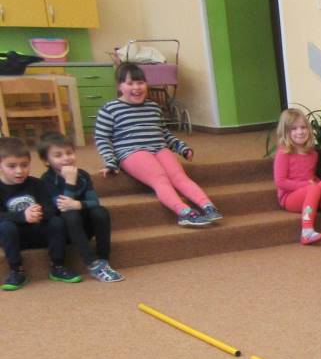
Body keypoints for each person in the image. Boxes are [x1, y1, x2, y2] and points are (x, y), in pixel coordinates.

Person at [93, 62, 220, 228]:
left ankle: (207, 206)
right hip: (132, 152)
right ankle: (184, 212)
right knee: (160, 179)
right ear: (119, 86)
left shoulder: (153, 107)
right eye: (130, 83)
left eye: (140, 82)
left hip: (159, 148)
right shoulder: (110, 109)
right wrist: (110, 161)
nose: (136, 87)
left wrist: (181, 147)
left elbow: (164, 133)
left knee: (179, 177)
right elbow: (102, 138)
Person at [36, 131, 122, 282]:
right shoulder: (47, 179)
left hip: (84, 227)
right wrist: (70, 181)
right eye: (58, 155)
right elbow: (63, 207)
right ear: (46, 161)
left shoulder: (82, 175)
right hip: (66, 231)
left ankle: (103, 260)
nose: (66, 158)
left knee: (100, 212)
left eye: (69, 153)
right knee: (70, 214)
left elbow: (94, 202)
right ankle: (92, 263)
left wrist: (79, 204)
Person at [0, 135, 81, 290]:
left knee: (56, 222)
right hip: (14, 237)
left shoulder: (37, 184)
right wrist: (23, 216)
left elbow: (51, 209)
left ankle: (58, 266)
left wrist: (39, 213)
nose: (19, 171)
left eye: (24, 165)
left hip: (38, 232)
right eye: (12, 166)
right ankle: (16, 270)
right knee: (5, 227)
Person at [272, 107, 321, 245]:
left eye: (303, 127)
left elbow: (311, 177)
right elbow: (280, 182)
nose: (300, 132)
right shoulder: (284, 153)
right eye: (294, 129)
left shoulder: (312, 154)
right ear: (285, 132)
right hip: (289, 197)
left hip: (309, 192)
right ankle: (306, 231)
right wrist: (308, 185)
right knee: (314, 187)